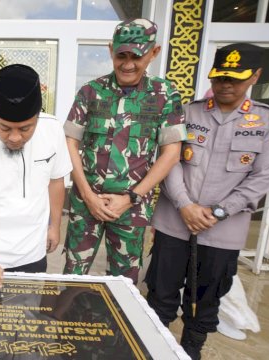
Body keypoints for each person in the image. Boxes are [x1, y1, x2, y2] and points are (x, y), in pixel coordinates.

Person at [145, 43, 269, 359]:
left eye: (235, 79)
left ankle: (190, 351)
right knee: (160, 296)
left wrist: (219, 211)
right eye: (220, 77)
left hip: (221, 232)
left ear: (255, 76)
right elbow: (169, 161)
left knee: (205, 302)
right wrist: (184, 204)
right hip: (174, 223)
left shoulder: (268, 122)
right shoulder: (186, 112)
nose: (225, 85)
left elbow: (263, 177)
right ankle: (156, 350)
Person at [62, 18, 186, 284]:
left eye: (137, 56)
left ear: (154, 52)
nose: (128, 64)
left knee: (124, 280)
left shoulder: (165, 95)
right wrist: (88, 195)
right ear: (111, 50)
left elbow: (171, 154)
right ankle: (63, 323)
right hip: (86, 202)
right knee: (73, 272)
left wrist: (130, 198)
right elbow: (69, 143)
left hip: (132, 207)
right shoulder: (89, 92)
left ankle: (118, 326)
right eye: (121, 55)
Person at [0, 64, 72, 289]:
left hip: (35, 250)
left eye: (26, 129)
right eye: (5, 128)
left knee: (30, 316)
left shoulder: (53, 130)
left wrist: (54, 226)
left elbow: (56, 180)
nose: (15, 137)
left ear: (38, 116)